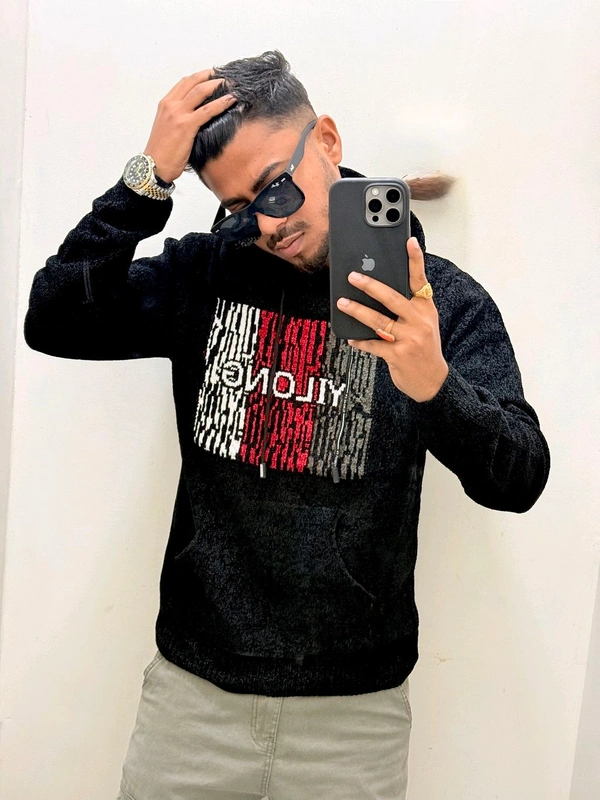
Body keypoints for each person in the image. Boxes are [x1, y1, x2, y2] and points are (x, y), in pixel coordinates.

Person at [24, 50, 550, 800]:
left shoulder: (435, 303)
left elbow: (521, 477)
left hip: (354, 723)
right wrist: (147, 181)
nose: (267, 224)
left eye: (275, 187)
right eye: (240, 206)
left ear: (326, 140)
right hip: (193, 705)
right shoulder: (207, 274)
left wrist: (436, 388)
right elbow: (53, 319)